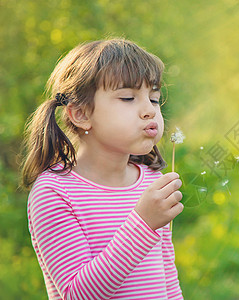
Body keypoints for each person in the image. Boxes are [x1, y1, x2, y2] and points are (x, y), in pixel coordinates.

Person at [21, 38, 184, 300]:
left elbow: (168, 278)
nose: (149, 111)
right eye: (128, 97)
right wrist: (143, 223)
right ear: (82, 114)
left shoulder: (152, 181)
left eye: (154, 99)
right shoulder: (54, 192)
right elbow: (77, 293)